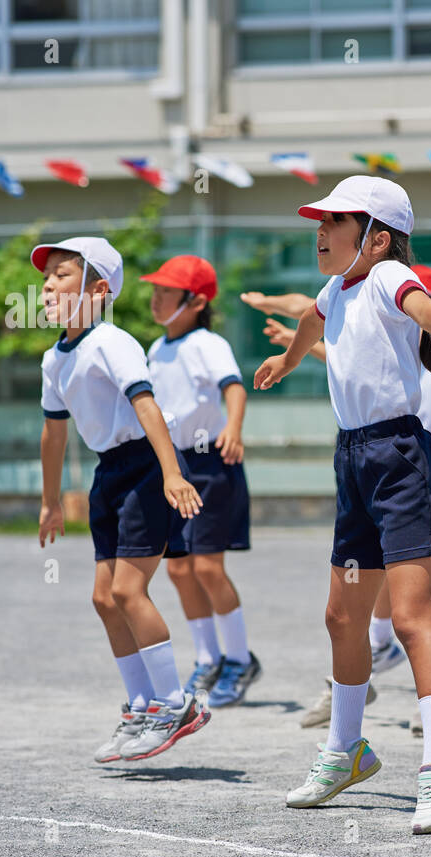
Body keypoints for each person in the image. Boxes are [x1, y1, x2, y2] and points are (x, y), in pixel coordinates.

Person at [253, 175, 431, 834]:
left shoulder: (385, 277)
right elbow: (313, 321)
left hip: (402, 460)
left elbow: (426, 306)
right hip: (353, 459)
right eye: (318, 221)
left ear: (376, 238)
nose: (320, 231)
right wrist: (289, 362)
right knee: (341, 616)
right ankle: (347, 751)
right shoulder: (337, 287)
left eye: (335, 222)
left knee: (411, 620)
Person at [260, 265, 431, 729]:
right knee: (372, 588)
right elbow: (323, 323)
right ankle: (368, 674)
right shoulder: (374, 322)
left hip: (428, 460)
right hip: (367, 454)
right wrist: (290, 346)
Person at [35, 236, 210, 764]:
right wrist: (49, 502)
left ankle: (175, 705)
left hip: (143, 466)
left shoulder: (112, 341)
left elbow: (147, 405)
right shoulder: (54, 359)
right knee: (103, 597)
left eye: (62, 275)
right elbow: (53, 434)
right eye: (46, 278)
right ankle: (140, 706)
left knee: (130, 592)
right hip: (108, 473)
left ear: (99, 289)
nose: (47, 286)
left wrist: (172, 474)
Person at [143, 255, 259, 708]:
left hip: (211, 462)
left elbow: (234, 386)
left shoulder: (207, 342)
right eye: (154, 291)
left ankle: (239, 659)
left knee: (208, 566)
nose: (155, 299)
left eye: (165, 293)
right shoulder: (155, 348)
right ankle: (208, 659)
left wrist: (234, 428)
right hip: (176, 468)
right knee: (178, 566)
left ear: (195, 301)